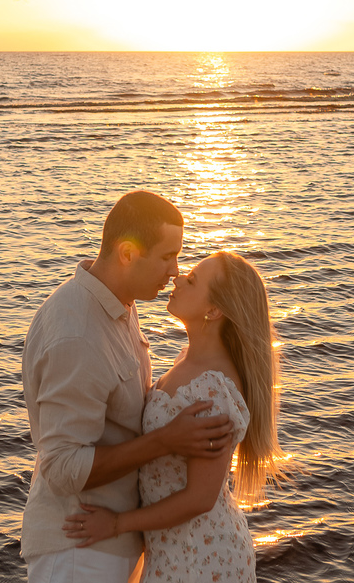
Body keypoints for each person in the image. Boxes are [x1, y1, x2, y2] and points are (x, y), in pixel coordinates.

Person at [21, 190, 236, 583]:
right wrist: (167, 440)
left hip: (114, 541)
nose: (175, 271)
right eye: (167, 257)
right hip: (79, 546)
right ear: (127, 254)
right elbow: (62, 467)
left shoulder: (120, 304)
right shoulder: (78, 335)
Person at [62, 251, 283, 583]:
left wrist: (117, 523)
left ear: (214, 310)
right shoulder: (188, 359)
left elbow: (200, 498)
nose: (178, 278)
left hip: (201, 558)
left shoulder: (213, 391)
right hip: (174, 550)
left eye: (192, 280)